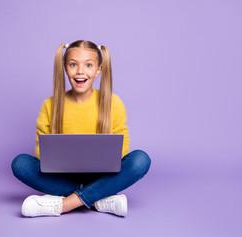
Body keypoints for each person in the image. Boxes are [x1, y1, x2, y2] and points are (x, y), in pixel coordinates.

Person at [12, 40, 151, 217]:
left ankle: (64, 205)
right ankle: (98, 199)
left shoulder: (113, 103)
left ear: (98, 70)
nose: (80, 71)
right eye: (73, 64)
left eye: (88, 65)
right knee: (20, 164)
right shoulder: (50, 104)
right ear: (65, 68)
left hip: (101, 176)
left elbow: (122, 148)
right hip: (63, 176)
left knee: (140, 160)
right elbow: (41, 151)